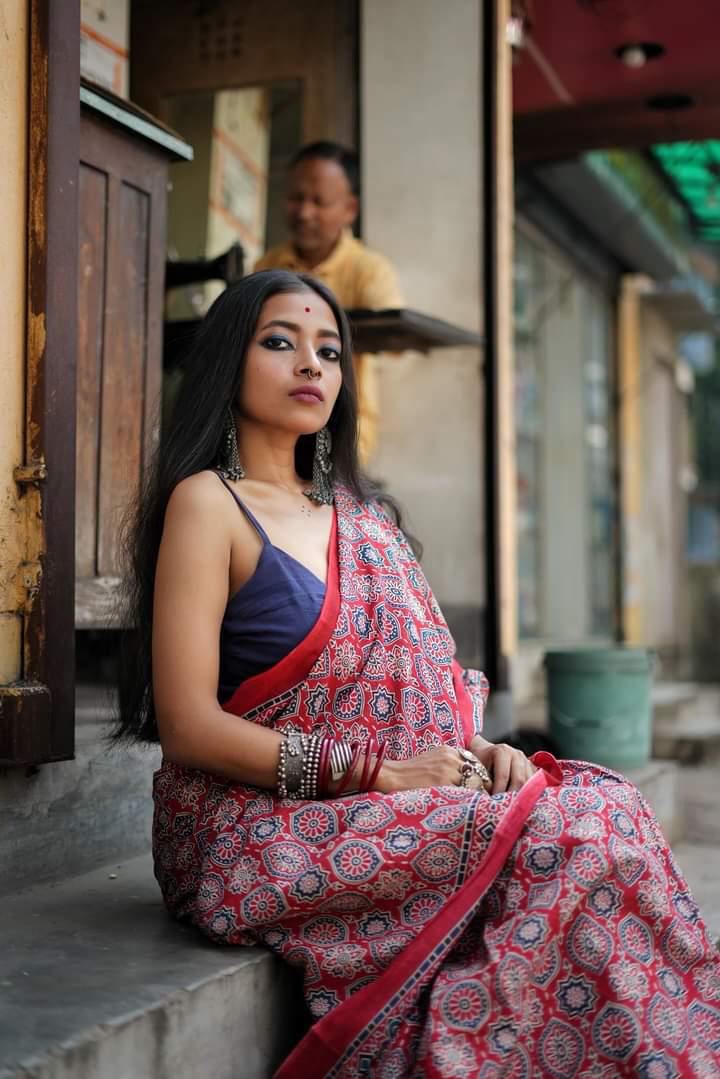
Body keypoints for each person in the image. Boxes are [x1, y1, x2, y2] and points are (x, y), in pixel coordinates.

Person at [117, 270, 720, 1078]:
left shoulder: (363, 518)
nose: (312, 364)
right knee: (569, 840)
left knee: (609, 806)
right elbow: (188, 726)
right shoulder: (208, 504)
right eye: (280, 342)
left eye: (330, 350)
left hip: (396, 796)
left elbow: (421, 696)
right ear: (229, 362)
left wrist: (481, 752)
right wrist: (379, 772)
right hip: (255, 822)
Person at [255, 141, 403, 463]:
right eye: (296, 198)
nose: (304, 212)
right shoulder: (267, 265)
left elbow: (394, 338)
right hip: (271, 427)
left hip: (342, 431)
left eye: (319, 202)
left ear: (350, 209)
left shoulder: (369, 271)